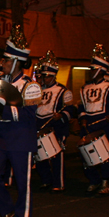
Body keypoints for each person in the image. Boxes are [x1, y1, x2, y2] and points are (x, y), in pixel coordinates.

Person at [0, 24, 41, 217]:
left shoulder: (30, 86)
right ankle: (7, 210)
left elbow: (28, 115)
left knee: (22, 182)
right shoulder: (1, 84)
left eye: (6, 60)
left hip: (20, 138)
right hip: (2, 137)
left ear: (16, 62)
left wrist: (1, 110)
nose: (3, 63)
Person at [77, 44, 109, 195]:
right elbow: (81, 107)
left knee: (105, 155)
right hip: (88, 124)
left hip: (105, 124)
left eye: (94, 69)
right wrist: (82, 120)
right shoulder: (84, 88)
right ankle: (94, 180)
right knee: (86, 154)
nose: (92, 72)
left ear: (102, 70)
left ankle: (105, 181)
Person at [34, 50, 75, 192]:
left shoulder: (64, 91)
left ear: (53, 76)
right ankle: (46, 180)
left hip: (57, 127)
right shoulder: (38, 90)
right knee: (39, 155)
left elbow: (71, 109)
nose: (43, 79)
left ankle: (58, 182)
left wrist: (62, 115)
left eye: (46, 77)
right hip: (40, 126)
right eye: (42, 76)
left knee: (57, 157)